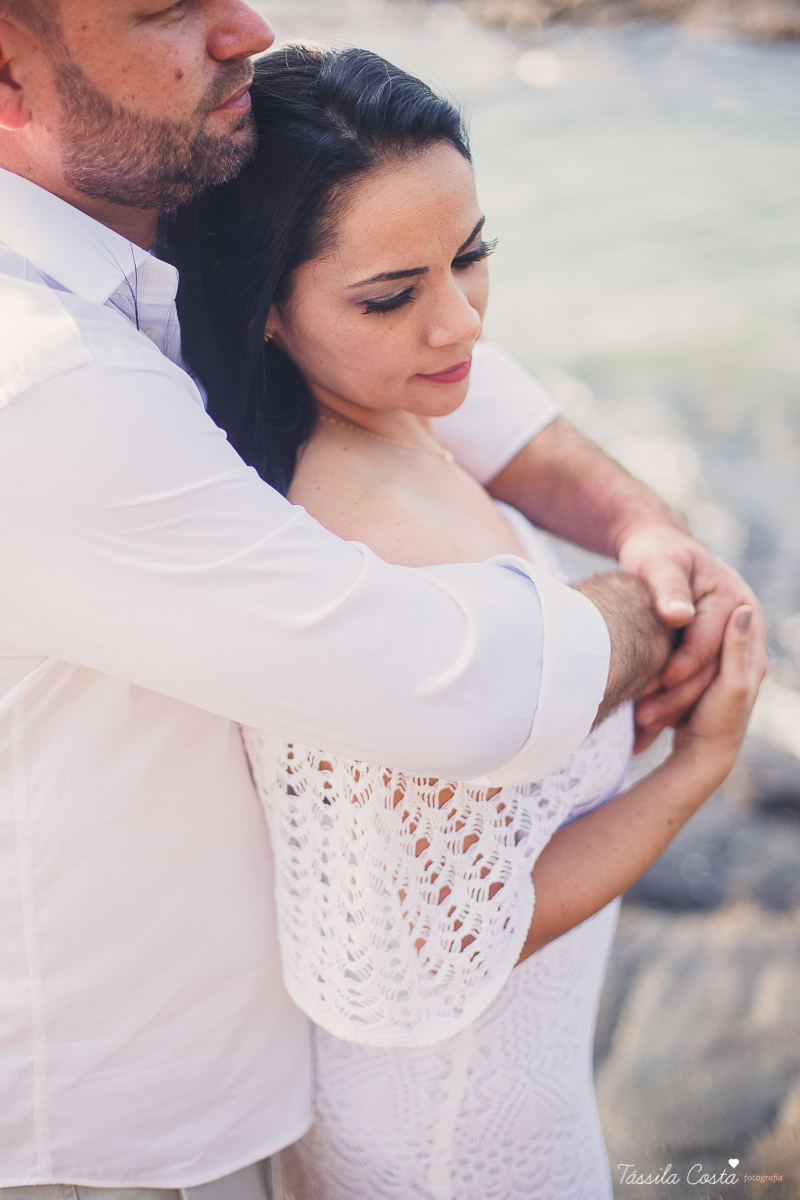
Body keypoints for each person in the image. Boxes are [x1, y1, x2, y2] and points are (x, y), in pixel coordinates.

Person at [0, 2, 747, 1197]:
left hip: (274, 1087)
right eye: (167, 8)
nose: (244, 24)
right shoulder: (37, 381)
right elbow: (443, 689)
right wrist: (655, 637)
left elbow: (408, 317)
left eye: (474, 255)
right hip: (103, 1131)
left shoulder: (159, 185)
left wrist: (640, 524)